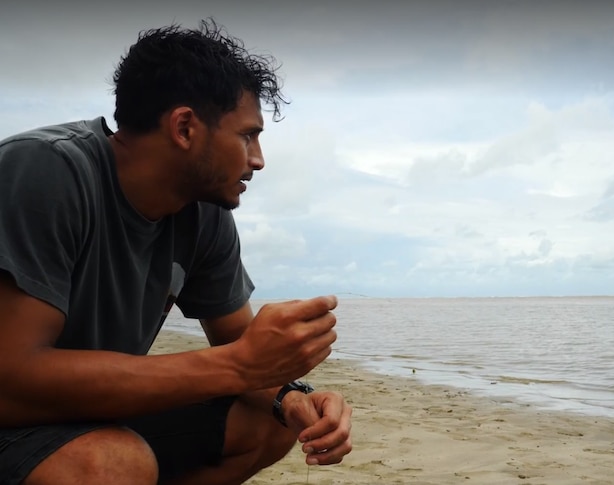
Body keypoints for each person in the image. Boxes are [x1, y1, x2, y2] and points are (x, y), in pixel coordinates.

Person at [0, 19, 352, 485]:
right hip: (13, 412)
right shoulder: (45, 171)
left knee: (267, 421)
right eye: (247, 135)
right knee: (111, 463)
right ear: (185, 127)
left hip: (86, 409)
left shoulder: (203, 213)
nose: (259, 159)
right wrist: (241, 365)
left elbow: (237, 346)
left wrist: (292, 398)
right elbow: (10, 380)